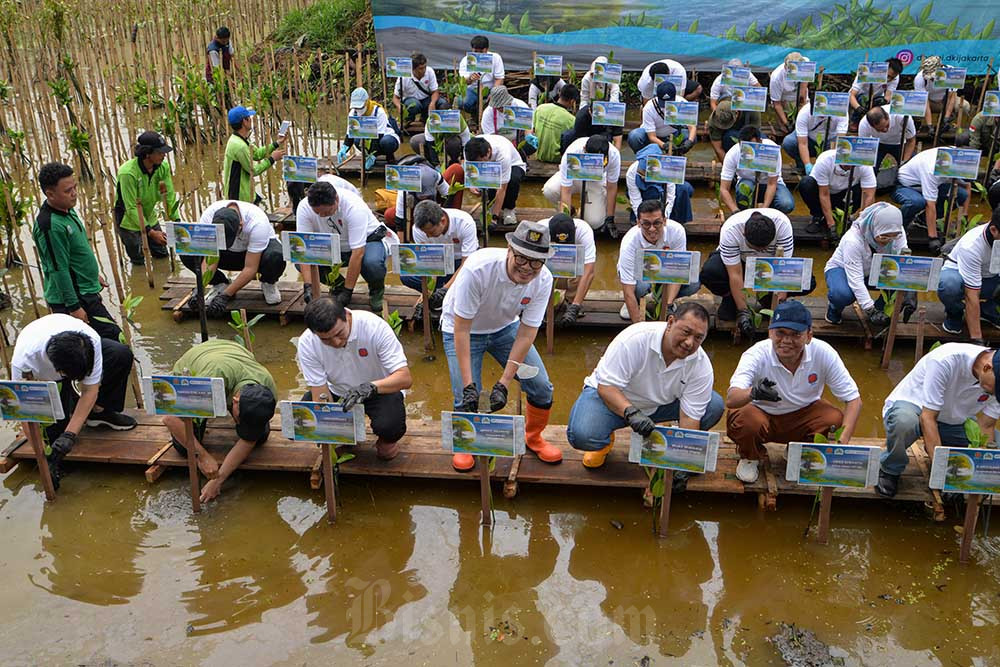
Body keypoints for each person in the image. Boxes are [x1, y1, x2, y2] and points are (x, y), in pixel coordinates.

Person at [440, 221, 562, 471]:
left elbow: (527, 333)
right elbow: (461, 329)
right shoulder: (479, 269)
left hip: (506, 328)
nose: (527, 268)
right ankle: (465, 443)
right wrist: (469, 386)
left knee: (541, 387)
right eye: (521, 258)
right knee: (465, 396)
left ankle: (533, 437)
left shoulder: (544, 280)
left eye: (536, 262)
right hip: (463, 329)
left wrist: (504, 383)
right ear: (509, 249)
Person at [566, 303, 725, 473]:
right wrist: (631, 413)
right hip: (613, 399)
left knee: (713, 406)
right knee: (582, 434)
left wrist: (681, 463)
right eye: (686, 332)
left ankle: (667, 439)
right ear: (670, 322)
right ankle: (605, 442)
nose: (689, 342)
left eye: (698, 338)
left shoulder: (701, 366)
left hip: (658, 405)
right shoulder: (635, 339)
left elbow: (690, 418)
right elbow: (607, 387)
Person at [726, 300, 862, 484]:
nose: (787, 341)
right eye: (780, 333)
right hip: (762, 414)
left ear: (809, 336)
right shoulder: (756, 354)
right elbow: (731, 399)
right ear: (770, 333)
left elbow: (854, 400)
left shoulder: (824, 353)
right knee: (746, 420)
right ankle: (750, 455)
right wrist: (753, 392)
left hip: (802, 415)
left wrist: (841, 445)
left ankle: (798, 449)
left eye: (796, 334)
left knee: (833, 418)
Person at [12, 313, 136, 487]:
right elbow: (25, 415)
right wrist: (42, 458)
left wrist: (70, 435)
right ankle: (66, 410)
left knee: (119, 354)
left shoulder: (89, 342)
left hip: (69, 353)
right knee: (55, 436)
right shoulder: (25, 362)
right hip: (46, 371)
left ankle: (98, 413)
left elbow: (90, 390)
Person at [876, 343, 1000, 497]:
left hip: (954, 420)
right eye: (996, 388)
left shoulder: (995, 383)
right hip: (916, 408)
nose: (995, 393)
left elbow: (987, 426)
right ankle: (890, 468)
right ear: (987, 368)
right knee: (903, 423)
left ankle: (954, 464)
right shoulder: (945, 360)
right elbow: (928, 418)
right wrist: (943, 476)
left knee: (997, 448)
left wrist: (983, 473)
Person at [296, 297, 412, 461]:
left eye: (339, 334)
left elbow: (404, 378)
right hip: (339, 392)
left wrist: (370, 387)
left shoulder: (374, 327)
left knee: (389, 430)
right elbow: (320, 392)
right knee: (307, 414)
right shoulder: (307, 343)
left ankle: (386, 441)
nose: (335, 342)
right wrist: (328, 433)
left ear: (346, 316)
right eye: (326, 339)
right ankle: (349, 437)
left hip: (380, 389)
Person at [163, 339, 276, 502]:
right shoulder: (208, 382)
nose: (239, 422)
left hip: (232, 357)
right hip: (202, 362)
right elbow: (169, 418)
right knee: (183, 447)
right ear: (235, 400)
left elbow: (249, 440)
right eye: (239, 418)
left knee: (260, 435)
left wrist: (217, 480)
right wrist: (202, 456)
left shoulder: (267, 387)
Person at [34, 162, 122, 341]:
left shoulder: (67, 209)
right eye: (68, 191)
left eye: (75, 187)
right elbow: (59, 269)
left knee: (107, 342)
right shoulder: (50, 226)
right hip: (75, 298)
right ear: (50, 194)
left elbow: (75, 252)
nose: (74, 194)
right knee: (113, 339)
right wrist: (74, 308)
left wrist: (92, 274)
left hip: (84, 289)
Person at [699, 208, 815, 334]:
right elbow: (735, 274)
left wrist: (777, 304)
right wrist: (743, 311)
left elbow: (783, 270)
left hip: (772, 265)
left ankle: (767, 299)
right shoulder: (731, 230)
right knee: (710, 272)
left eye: (764, 247)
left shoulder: (782, 225)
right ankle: (731, 299)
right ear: (744, 233)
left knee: (807, 279)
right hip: (741, 262)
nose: (760, 251)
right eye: (756, 248)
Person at [294, 180, 397, 310]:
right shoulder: (304, 208)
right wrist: (307, 285)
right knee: (299, 262)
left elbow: (358, 253)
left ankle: (376, 291)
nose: (322, 216)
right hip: (334, 245)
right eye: (317, 213)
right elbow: (304, 247)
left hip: (367, 241)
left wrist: (348, 292)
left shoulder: (353, 207)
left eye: (326, 212)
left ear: (336, 199)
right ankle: (339, 286)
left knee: (372, 263)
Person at [186, 200, 286, 312]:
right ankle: (219, 283)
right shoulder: (208, 217)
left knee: (276, 257)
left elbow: (250, 268)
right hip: (227, 254)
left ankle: (268, 283)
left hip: (254, 255)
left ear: (241, 225)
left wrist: (226, 296)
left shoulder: (258, 222)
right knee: (187, 251)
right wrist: (199, 288)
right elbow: (211, 259)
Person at [824, 202, 910, 326]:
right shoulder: (852, 240)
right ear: (874, 227)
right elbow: (856, 279)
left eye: (893, 237)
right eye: (884, 237)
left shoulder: (897, 231)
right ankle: (834, 308)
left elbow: (903, 264)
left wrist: (910, 291)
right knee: (841, 294)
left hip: (878, 268)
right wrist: (870, 310)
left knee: (899, 287)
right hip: (843, 269)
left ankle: (881, 310)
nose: (888, 241)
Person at [617, 199, 699, 323]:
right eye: (646, 224)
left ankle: (666, 301)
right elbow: (628, 289)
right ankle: (636, 301)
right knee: (639, 288)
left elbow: (679, 270)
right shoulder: (629, 243)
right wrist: (637, 328)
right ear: (638, 223)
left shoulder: (677, 231)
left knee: (693, 283)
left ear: (664, 221)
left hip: (667, 270)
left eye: (657, 223)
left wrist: (668, 306)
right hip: (639, 277)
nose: (651, 229)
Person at [113, 131, 179, 266]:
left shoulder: (162, 167)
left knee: (162, 254)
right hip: (128, 221)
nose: (164, 155)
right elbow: (130, 207)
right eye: (160, 152)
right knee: (138, 260)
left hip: (149, 215)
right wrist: (150, 232)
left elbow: (169, 194)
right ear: (147, 153)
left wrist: (176, 219)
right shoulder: (128, 173)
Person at [892, 145, 971, 255]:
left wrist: (965, 216)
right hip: (907, 186)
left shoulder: (958, 158)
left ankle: (922, 220)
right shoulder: (932, 168)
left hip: (932, 184)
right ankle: (898, 228)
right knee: (917, 202)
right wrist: (933, 238)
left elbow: (967, 187)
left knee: (960, 195)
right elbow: (930, 204)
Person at [937, 209, 1000, 338]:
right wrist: (977, 341)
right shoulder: (972, 245)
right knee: (949, 285)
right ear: (994, 230)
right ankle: (955, 313)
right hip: (960, 276)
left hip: (991, 278)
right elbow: (972, 294)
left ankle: (988, 309)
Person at [406, 200, 479, 310]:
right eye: (425, 233)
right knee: (407, 275)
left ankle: (447, 292)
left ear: (443, 221)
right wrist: (427, 292)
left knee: (472, 273)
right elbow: (427, 261)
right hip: (438, 262)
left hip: (460, 262)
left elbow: (467, 263)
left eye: (431, 232)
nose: (428, 236)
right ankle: (440, 294)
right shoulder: (418, 230)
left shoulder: (465, 223)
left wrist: (444, 290)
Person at [543, 134, 620, 231]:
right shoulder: (572, 152)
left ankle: (590, 208)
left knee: (595, 222)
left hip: (596, 181)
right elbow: (566, 188)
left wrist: (610, 218)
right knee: (550, 190)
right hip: (574, 176)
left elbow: (612, 187)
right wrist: (566, 220)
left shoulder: (614, 155)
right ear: (584, 149)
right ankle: (570, 210)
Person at [798, 147, 876, 237]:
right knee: (807, 183)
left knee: (862, 190)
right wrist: (831, 223)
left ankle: (846, 217)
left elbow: (869, 195)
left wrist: (862, 222)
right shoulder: (825, 160)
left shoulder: (864, 164)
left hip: (845, 194)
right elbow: (824, 194)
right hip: (823, 193)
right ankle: (818, 216)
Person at [536, 213, 597, 327]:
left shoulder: (584, 230)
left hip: (571, 271)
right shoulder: (539, 229)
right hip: (547, 270)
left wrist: (576, 305)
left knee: (583, 270)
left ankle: (571, 302)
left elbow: (589, 271)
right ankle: (541, 303)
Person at [719, 125, 795, 214]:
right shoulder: (733, 154)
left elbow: (772, 183)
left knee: (786, 204)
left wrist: (764, 210)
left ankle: (770, 215)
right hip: (748, 182)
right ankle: (745, 213)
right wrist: (735, 210)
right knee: (744, 191)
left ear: (760, 141)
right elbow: (724, 189)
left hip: (771, 183)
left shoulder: (771, 150)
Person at [223, 105, 285, 204]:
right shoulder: (239, 146)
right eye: (249, 118)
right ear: (244, 121)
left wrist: (276, 143)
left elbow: (257, 154)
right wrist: (272, 159)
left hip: (246, 191)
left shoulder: (240, 139)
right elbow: (253, 170)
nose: (251, 120)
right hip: (239, 196)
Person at [462, 135, 525, 227]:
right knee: (489, 187)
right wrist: (472, 185)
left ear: (488, 152)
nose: (479, 164)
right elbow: (469, 169)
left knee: (512, 180)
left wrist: (494, 217)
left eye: (481, 161)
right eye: (476, 163)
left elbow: (502, 188)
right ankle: (491, 205)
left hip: (513, 165)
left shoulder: (503, 153)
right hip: (491, 168)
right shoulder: (468, 151)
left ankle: (509, 209)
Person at [625, 143, 694, 223]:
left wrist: (665, 216)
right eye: (641, 173)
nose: (643, 177)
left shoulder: (666, 167)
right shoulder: (631, 172)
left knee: (684, 188)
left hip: (661, 192)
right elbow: (635, 198)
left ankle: (677, 219)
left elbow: (670, 195)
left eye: (645, 173)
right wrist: (640, 218)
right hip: (646, 193)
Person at [382, 153, 450, 231]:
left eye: (427, 195)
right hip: (412, 204)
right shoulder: (405, 187)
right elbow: (400, 220)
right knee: (389, 214)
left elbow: (448, 196)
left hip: (434, 206)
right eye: (423, 195)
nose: (424, 196)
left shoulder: (436, 176)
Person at [338, 87, 400, 171]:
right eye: (356, 107)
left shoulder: (378, 112)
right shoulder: (353, 113)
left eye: (360, 107)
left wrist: (373, 155)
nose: (358, 110)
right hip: (368, 139)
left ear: (366, 102)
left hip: (384, 138)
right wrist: (344, 148)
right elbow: (350, 133)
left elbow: (379, 136)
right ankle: (368, 155)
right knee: (357, 140)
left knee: (386, 142)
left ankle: (388, 155)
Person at [627, 81, 696, 155]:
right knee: (634, 136)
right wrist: (664, 145)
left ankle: (678, 154)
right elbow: (652, 136)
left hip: (674, 133)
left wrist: (689, 142)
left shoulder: (682, 103)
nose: (665, 105)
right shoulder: (649, 108)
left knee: (691, 137)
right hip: (653, 135)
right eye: (663, 103)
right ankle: (644, 155)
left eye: (668, 102)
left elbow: (692, 127)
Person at [780, 100, 849, 173]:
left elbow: (840, 140)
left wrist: (833, 161)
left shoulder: (840, 111)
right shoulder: (804, 113)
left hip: (830, 140)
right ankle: (802, 165)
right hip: (809, 139)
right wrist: (807, 164)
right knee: (789, 142)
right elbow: (802, 143)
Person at [914, 56, 966, 132]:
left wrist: (946, 117)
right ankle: (917, 126)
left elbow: (951, 96)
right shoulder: (919, 78)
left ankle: (946, 122)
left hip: (946, 100)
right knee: (913, 105)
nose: (931, 79)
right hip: (930, 102)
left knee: (964, 106)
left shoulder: (951, 71)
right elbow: (924, 102)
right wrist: (930, 125)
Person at [859, 105, 916, 173]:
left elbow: (911, 141)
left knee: (910, 167)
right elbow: (864, 147)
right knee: (868, 170)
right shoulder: (864, 124)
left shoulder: (903, 117)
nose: (885, 130)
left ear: (888, 117)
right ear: (871, 126)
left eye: (886, 125)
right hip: (877, 144)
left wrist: (904, 163)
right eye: (880, 129)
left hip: (899, 143)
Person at [392, 52, 446, 123]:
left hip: (426, 99)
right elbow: (395, 97)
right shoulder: (404, 77)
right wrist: (399, 107)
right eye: (420, 68)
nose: (423, 70)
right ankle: (408, 121)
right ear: (413, 69)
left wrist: (432, 103)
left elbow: (435, 91)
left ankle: (427, 118)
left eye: (425, 67)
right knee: (415, 105)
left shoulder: (430, 71)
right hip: (411, 100)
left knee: (442, 103)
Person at [848, 57, 902, 126]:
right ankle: (855, 122)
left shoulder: (895, 78)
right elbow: (851, 95)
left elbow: (888, 95)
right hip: (858, 98)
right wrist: (858, 108)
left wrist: (884, 102)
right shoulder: (866, 72)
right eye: (888, 76)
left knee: (881, 101)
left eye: (892, 78)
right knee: (863, 99)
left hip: (876, 98)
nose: (889, 80)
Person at [532, 84, 579, 163]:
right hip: (557, 159)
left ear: (560, 94)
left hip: (538, 155)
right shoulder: (571, 120)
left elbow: (533, 129)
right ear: (572, 101)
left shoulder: (540, 108)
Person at [457, 35, 505, 114]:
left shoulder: (496, 58)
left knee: (500, 101)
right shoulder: (465, 60)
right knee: (463, 102)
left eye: (481, 52)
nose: (478, 54)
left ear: (487, 49)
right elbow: (464, 81)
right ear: (472, 49)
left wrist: (494, 92)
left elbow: (499, 78)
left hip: (490, 88)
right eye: (476, 51)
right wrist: (470, 79)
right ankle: (476, 115)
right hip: (473, 89)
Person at [769, 52, 810, 134]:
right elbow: (776, 103)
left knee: (805, 123)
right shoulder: (776, 77)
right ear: (785, 66)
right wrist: (786, 123)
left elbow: (803, 88)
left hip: (801, 95)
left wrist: (802, 106)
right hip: (784, 100)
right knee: (786, 129)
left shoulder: (806, 63)